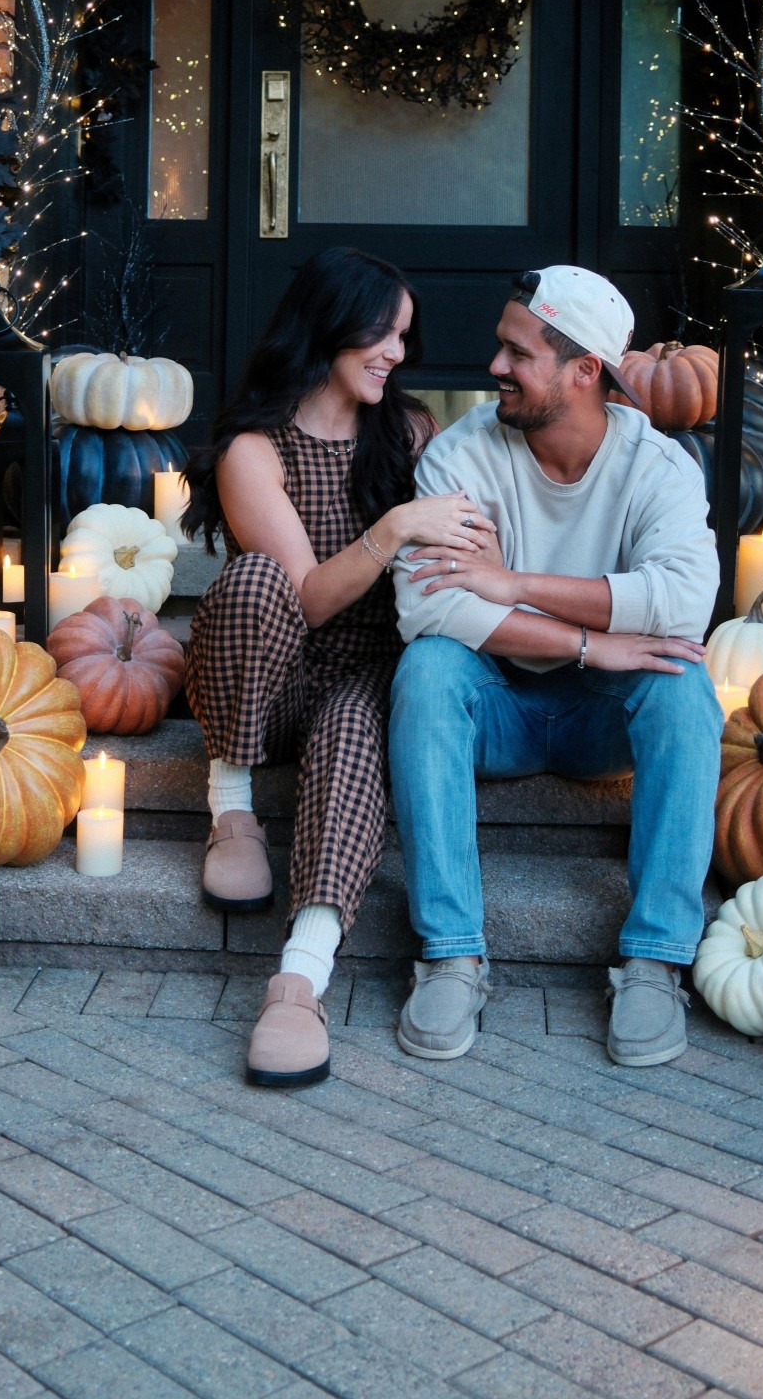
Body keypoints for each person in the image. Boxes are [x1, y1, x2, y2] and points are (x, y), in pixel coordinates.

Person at [388, 265, 722, 1070]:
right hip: (495, 702)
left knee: (684, 684)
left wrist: (514, 586)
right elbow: (426, 608)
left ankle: (655, 959)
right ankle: (451, 953)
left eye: (518, 352)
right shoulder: (461, 455)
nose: (496, 366)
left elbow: (682, 605)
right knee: (428, 670)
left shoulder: (658, 468)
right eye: (502, 347)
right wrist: (587, 640)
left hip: (602, 716)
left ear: (585, 372)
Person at [182, 246, 493, 1088]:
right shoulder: (256, 446)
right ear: (329, 328)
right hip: (270, 678)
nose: (396, 353)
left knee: (359, 729)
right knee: (251, 583)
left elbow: (475, 532)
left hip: (363, 677)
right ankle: (232, 807)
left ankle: (300, 980)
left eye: (403, 337)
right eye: (381, 335)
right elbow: (308, 599)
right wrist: (393, 528)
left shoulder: (412, 431)